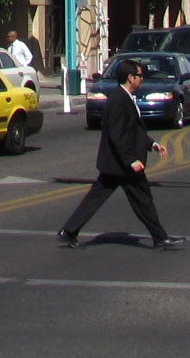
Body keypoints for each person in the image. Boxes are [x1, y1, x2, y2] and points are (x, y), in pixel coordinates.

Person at [57, 58, 183, 251]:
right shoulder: (118, 100)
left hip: (116, 164)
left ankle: (69, 231)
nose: (142, 79)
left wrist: (152, 144)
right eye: (140, 75)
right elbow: (117, 135)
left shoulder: (126, 97)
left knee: (98, 198)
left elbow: (134, 130)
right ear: (130, 77)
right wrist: (131, 160)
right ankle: (160, 238)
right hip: (123, 164)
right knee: (142, 199)